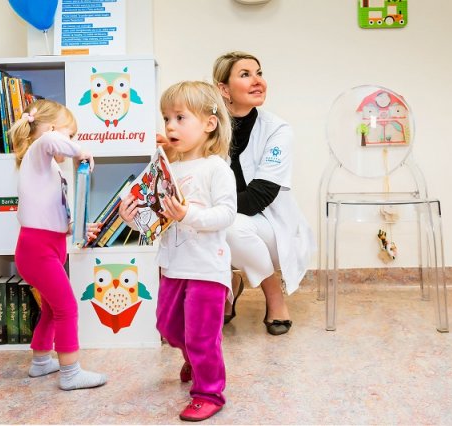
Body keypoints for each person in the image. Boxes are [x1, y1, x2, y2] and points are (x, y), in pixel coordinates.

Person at [119, 81, 236, 422]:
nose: (170, 126)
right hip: (172, 266)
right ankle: (194, 359)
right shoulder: (167, 169)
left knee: (202, 336)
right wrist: (132, 219)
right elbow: (155, 220)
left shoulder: (216, 168)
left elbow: (227, 214)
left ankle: (209, 392)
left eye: (180, 118)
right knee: (168, 327)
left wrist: (188, 215)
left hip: (206, 268)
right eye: (166, 118)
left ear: (209, 124)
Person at [212, 51, 316, 335]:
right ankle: (229, 284)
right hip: (226, 223)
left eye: (259, 73)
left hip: (271, 229)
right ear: (224, 89)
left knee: (229, 226)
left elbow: (257, 199)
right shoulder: (209, 127)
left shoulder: (277, 130)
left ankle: (273, 294)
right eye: (245, 74)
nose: (258, 81)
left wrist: (209, 211)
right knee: (201, 225)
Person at [10, 99, 107, 391]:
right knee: (67, 308)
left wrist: (76, 227)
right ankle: (70, 373)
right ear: (53, 129)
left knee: (53, 309)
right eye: (71, 134)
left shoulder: (51, 168)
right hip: (37, 250)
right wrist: (80, 151)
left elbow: (50, 214)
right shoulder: (38, 151)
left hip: (47, 246)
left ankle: (41, 362)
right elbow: (51, 140)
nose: (73, 141)